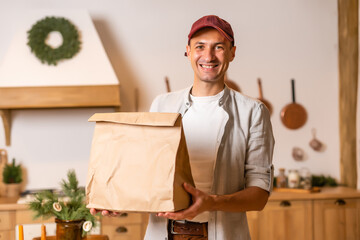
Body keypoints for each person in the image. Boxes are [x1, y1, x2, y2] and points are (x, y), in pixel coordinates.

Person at [91, 15, 274, 240]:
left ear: (232, 53)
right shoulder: (162, 104)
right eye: (200, 47)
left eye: (218, 47)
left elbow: (259, 196)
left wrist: (212, 203)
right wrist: (118, 199)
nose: (208, 56)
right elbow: (147, 175)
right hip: (164, 233)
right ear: (188, 51)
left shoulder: (253, 112)